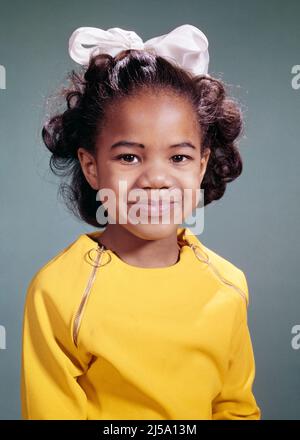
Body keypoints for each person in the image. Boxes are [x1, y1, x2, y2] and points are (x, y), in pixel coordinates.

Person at [20, 24, 261, 420]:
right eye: (129, 157)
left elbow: (235, 408)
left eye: (179, 157)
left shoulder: (228, 285)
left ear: (201, 165)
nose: (155, 179)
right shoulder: (57, 294)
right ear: (92, 166)